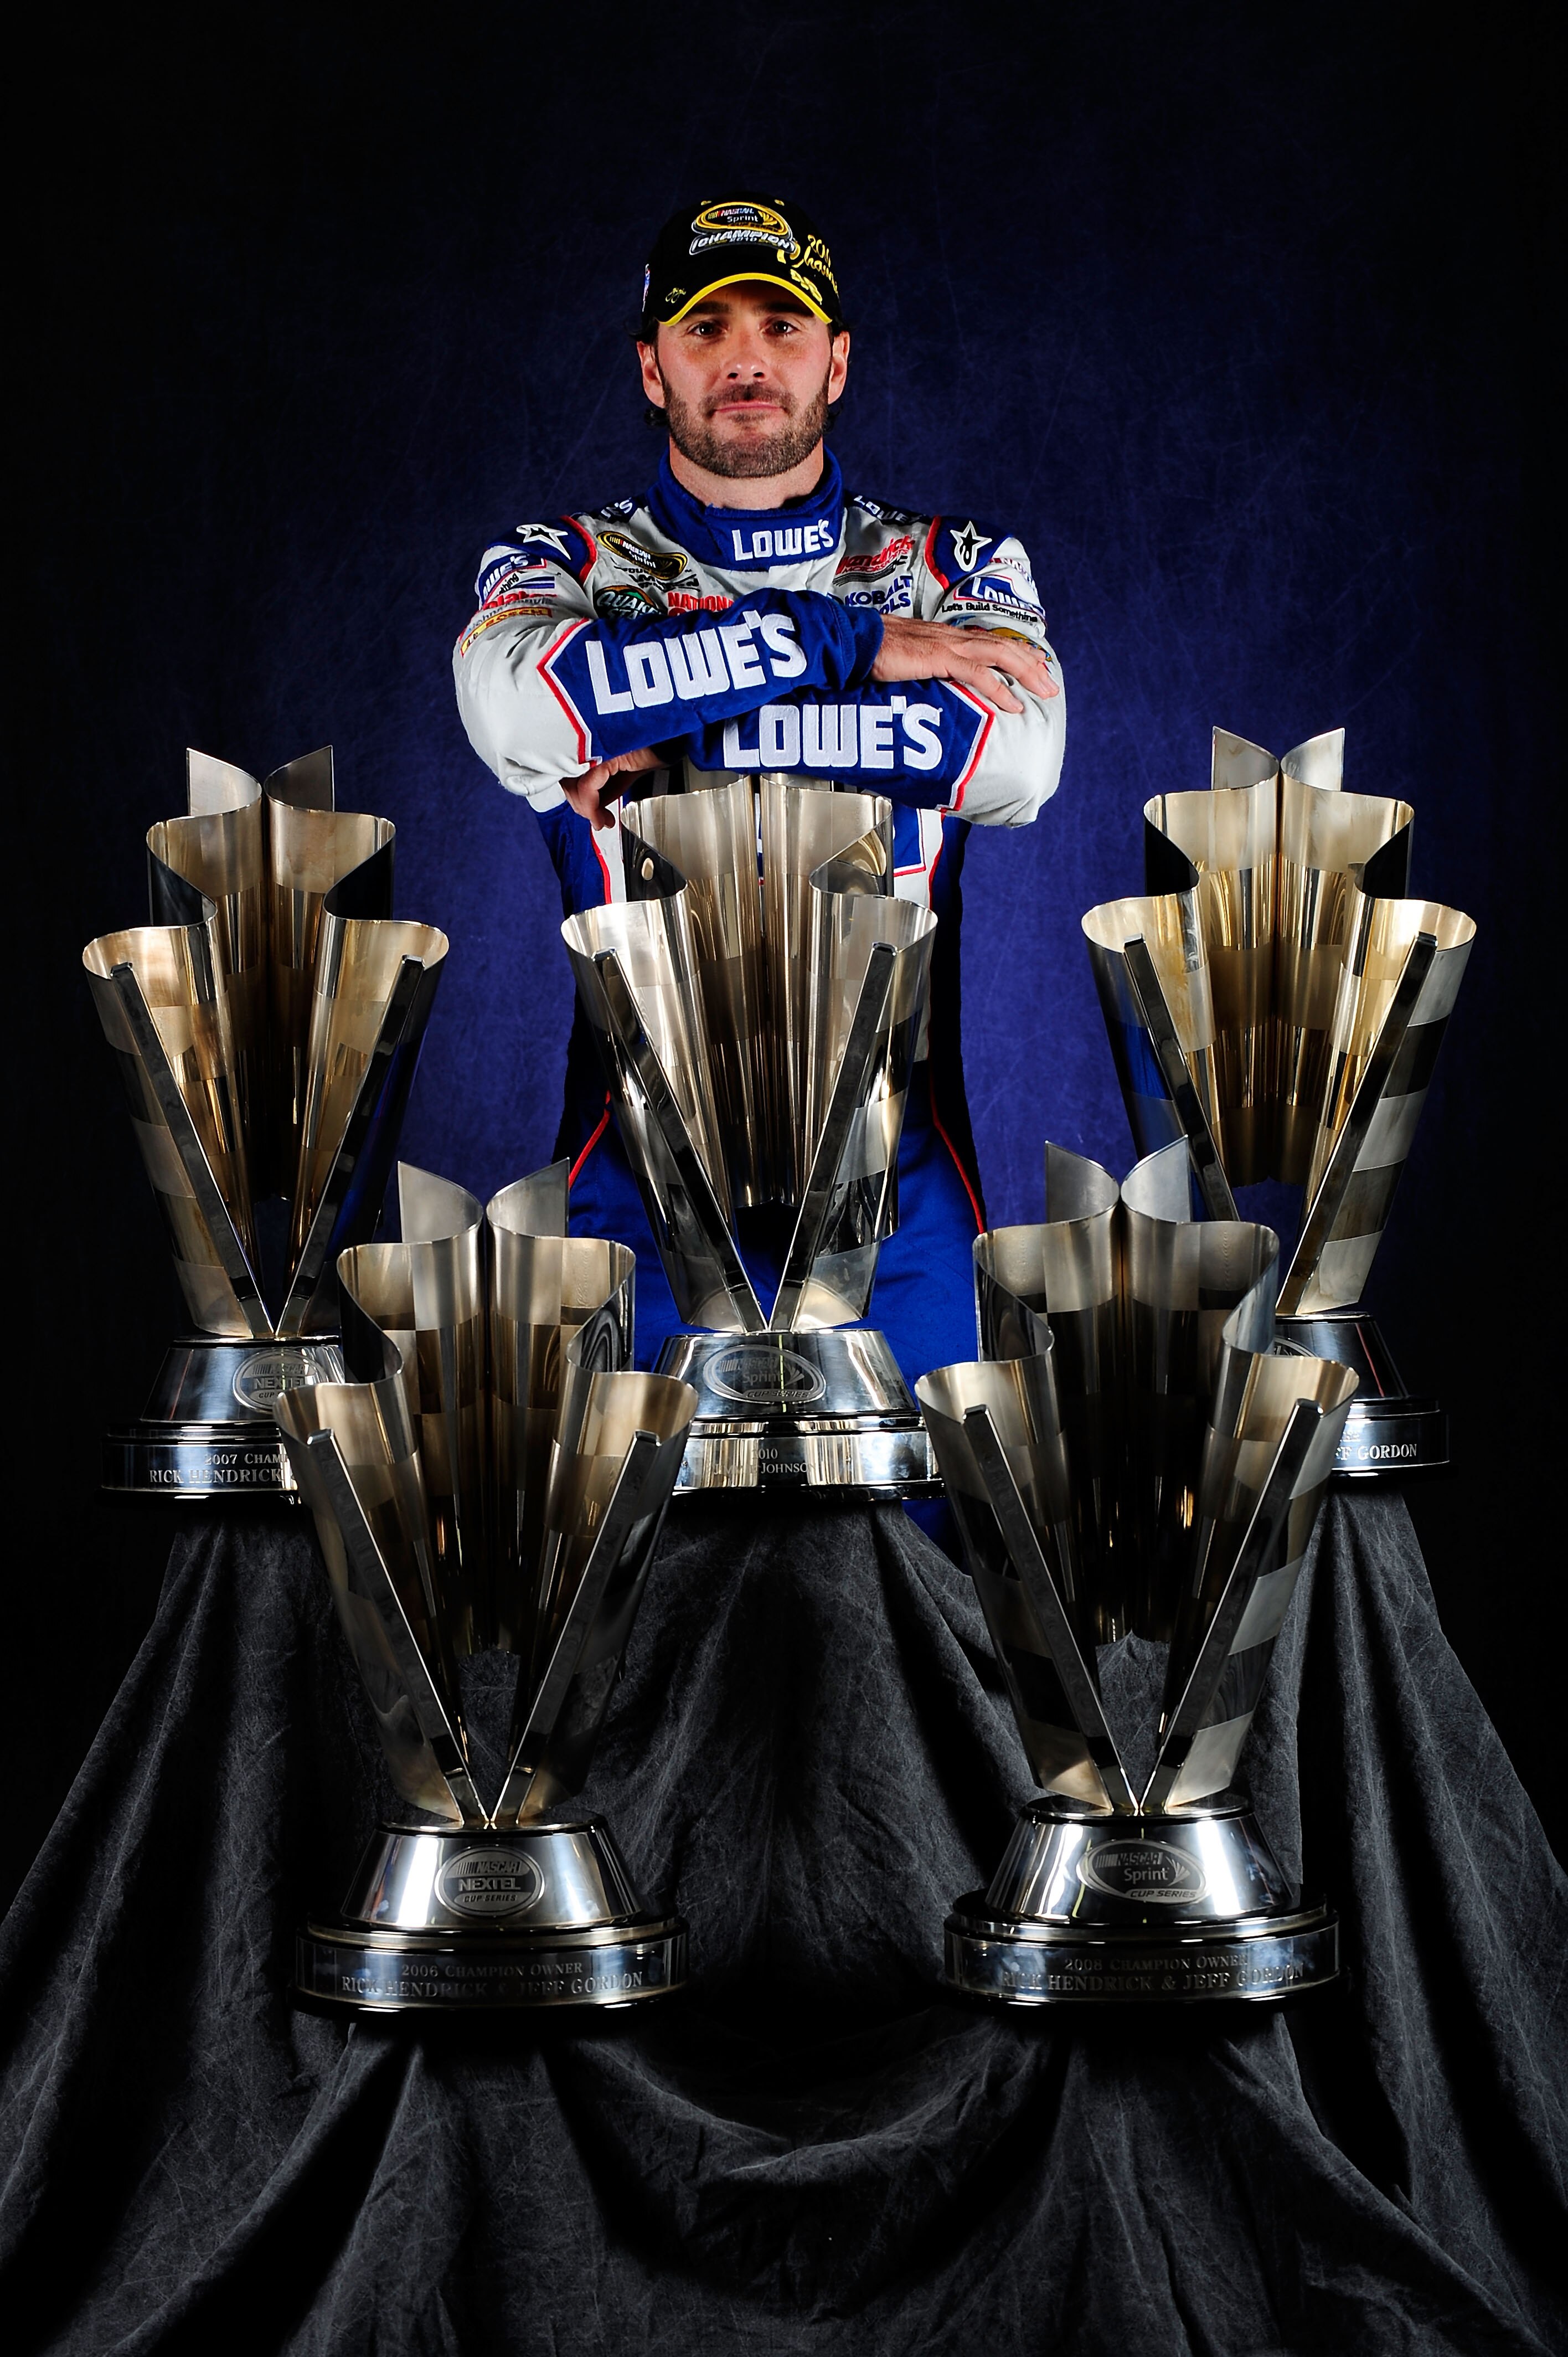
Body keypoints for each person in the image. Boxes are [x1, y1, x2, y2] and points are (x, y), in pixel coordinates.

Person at [455, 192, 1065, 1384]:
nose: (746, 357)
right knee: (629, 1569)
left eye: (783, 327)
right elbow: (516, 710)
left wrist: (684, 717)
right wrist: (851, 647)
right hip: (631, 1189)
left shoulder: (955, 570)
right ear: (651, 366)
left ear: (837, 361)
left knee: (939, 1557)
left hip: (903, 1199)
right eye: (706, 327)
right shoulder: (561, 562)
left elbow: (1019, 758)